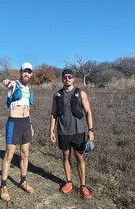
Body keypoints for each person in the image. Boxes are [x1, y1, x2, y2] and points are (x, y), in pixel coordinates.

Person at [49, 69, 95, 199]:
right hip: (63, 132)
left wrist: (91, 130)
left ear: (73, 78)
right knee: (65, 156)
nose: (67, 79)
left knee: (79, 158)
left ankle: (83, 186)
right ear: (62, 79)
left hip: (78, 131)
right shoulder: (57, 95)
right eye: (65, 77)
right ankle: (68, 182)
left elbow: (88, 113)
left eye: (70, 77)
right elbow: (53, 114)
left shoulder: (81, 93)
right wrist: (51, 130)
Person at [0, 62, 35, 202]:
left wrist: (30, 125)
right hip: (14, 123)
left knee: (25, 153)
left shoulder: (29, 89)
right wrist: (7, 82)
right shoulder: (14, 84)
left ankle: (23, 181)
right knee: (9, 155)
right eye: (24, 71)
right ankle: (3, 186)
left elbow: (27, 109)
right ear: (20, 72)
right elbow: (8, 84)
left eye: (29, 71)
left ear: (31, 74)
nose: (26, 73)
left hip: (26, 123)